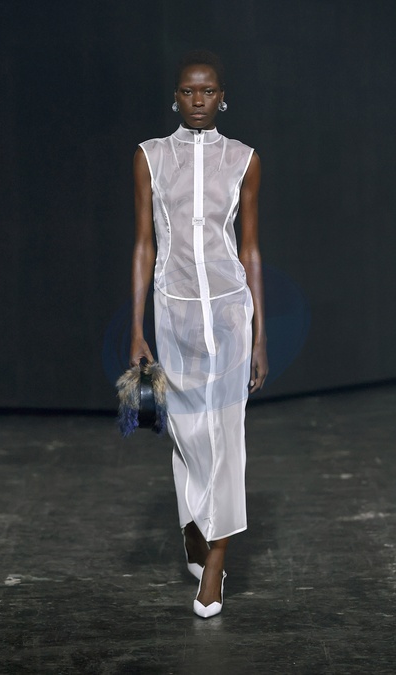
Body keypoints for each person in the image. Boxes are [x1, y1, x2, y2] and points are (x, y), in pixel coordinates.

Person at [129, 50, 268, 618]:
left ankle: (216, 562)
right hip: (174, 314)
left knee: (226, 436)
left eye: (208, 91)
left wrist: (260, 336)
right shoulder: (150, 156)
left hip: (231, 315)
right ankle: (193, 524)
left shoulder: (244, 160)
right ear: (175, 97)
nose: (198, 101)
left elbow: (249, 249)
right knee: (186, 433)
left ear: (222, 97)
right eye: (188, 91)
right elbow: (144, 244)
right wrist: (136, 329)